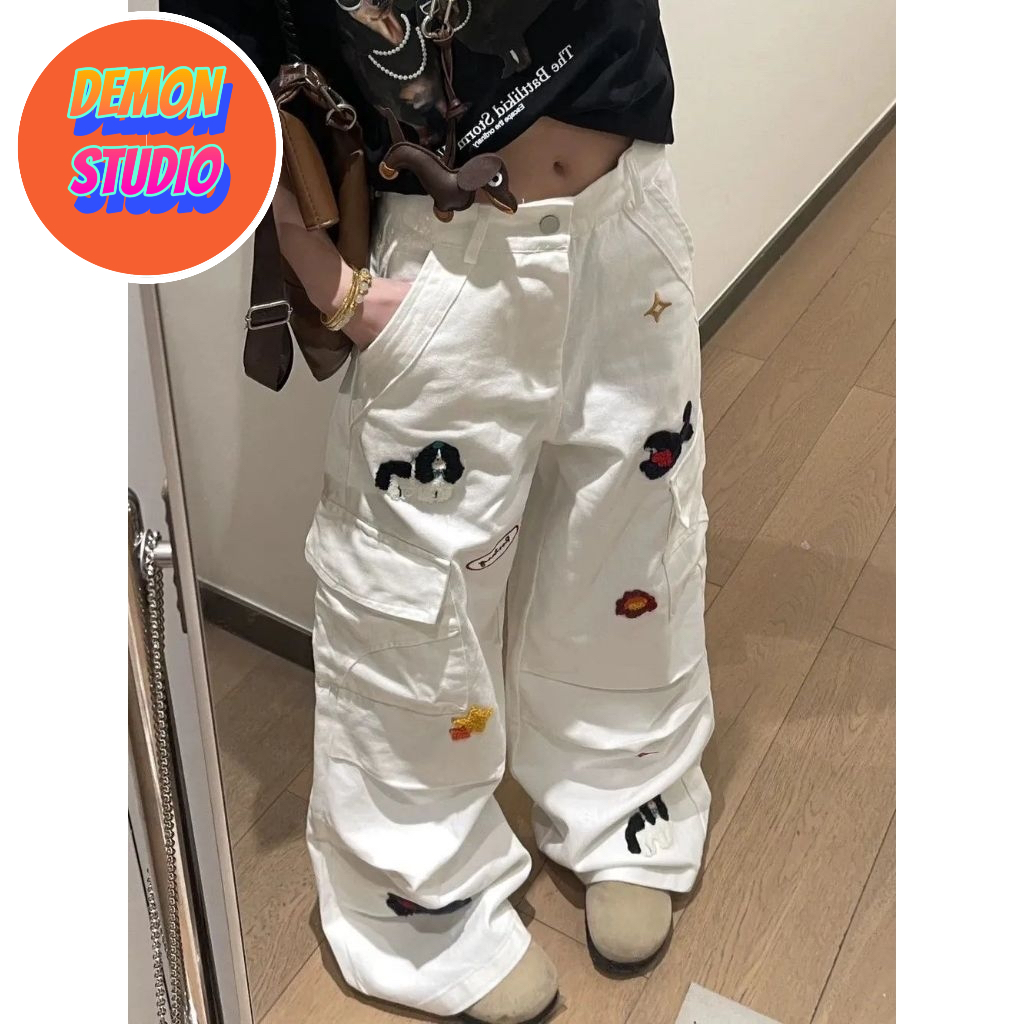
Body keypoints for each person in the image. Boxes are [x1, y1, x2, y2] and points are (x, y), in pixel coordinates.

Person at [250, 2, 714, 1021]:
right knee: (412, 590)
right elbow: (209, 73)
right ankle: (424, 895)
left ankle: (626, 795)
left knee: (632, 541)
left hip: (625, 210)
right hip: (439, 249)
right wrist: (329, 284)